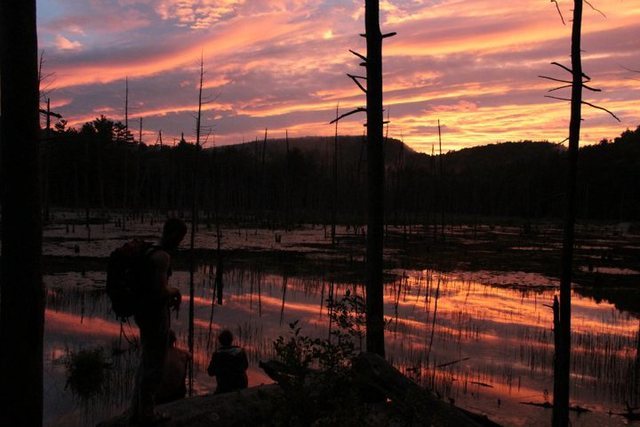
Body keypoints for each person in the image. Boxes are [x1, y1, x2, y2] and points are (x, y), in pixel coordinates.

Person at [130, 218, 187, 426]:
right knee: (153, 366)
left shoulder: (149, 251)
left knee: (145, 361)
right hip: (155, 317)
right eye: (180, 238)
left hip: (143, 313)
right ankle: (147, 414)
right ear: (172, 234)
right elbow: (161, 290)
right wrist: (176, 291)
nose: (180, 243)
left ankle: (136, 411)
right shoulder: (162, 257)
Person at [207, 330, 249, 394]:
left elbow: (210, 372)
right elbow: (246, 366)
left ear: (220, 341)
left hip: (224, 387)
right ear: (231, 340)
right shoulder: (241, 352)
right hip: (241, 385)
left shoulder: (217, 355)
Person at [156, 330, 191, 404]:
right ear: (174, 341)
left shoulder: (158, 355)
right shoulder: (182, 354)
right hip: (178, 392)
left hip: (161, 394)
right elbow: (189, 355)